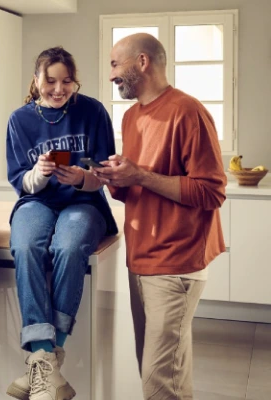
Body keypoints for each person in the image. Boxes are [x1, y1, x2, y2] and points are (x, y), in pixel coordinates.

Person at [95, 33, 227, 399]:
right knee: (165, 373)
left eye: (114, 64)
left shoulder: (187, 111)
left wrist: (139, 175)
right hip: (141, 261)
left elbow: (212, 192)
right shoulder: (132, 118)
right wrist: (115, 179)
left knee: (158, 381)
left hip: (176, 264)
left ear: (142, 62)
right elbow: (136, 188)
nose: (110, 76)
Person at [6, 46, 118, 400]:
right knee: (25, 245)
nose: (58, 89)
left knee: (68, 247)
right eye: (50, 81)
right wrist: (38, 176)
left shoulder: (93, 112)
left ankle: (48, 360)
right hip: (36, 200)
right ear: (36, 79)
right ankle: (43, 357)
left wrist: (81, 178)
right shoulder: (19, 120)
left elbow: (104, 175)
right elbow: (19, 180)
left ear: (75, 81)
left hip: (84, 202)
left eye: (66, 81)